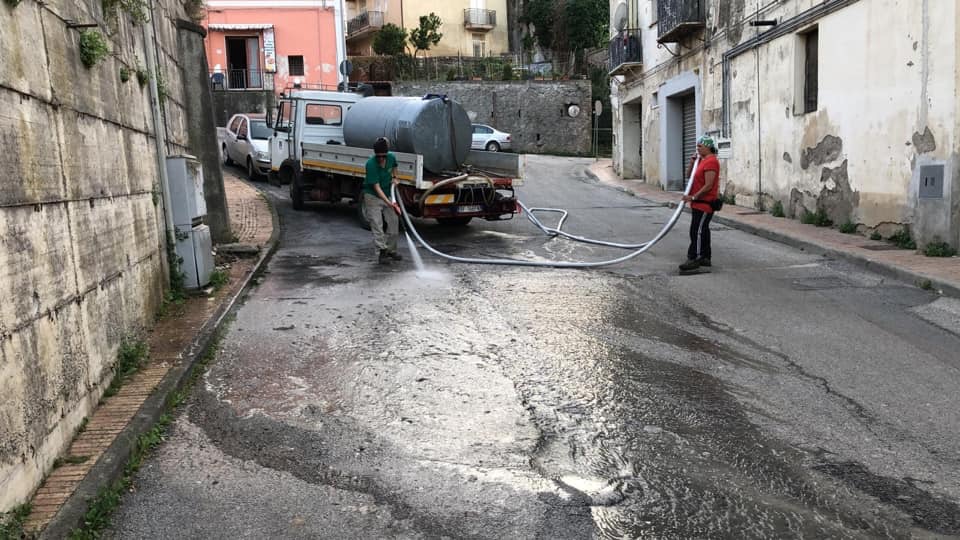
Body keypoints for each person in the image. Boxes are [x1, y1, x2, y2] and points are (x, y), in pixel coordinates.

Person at [679, 135, 721, 272]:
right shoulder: (701, 161)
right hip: (698, 203)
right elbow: (689, 176)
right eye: (697, 146)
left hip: (704, 203)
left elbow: (708, 185)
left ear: (708, 147)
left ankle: (695, 258)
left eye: (700, 146)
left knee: (696, 231)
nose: (697, 148)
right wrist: (692, 162)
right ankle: (705, 257)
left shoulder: (711, 162)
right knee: (702, 230)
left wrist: (693, 197)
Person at [362, 137, 403, 264]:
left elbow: (395, 170)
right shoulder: (370, 164)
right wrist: (389, 203)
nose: (381, 159)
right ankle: (382, 252)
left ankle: (391, 250)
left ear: (386, 153)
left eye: (383, 156)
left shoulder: (391, 157)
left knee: (393, 222)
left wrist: (396, 178)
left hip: (387, 193)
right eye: (378, 156)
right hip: (372, 196)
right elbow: (376, 187)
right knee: (377, 224)